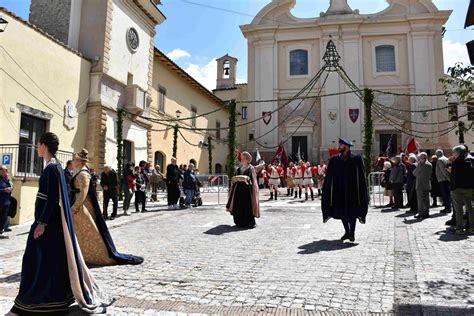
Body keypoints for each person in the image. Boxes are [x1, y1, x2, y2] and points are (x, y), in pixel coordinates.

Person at [8, 133, 112, 315]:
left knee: (36, 262)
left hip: (47, 224)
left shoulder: (51, 169)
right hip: (52, 223)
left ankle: (31, 303)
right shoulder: (55, 166)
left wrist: (42, 223)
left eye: (39, 144)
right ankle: (57, 298)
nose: (37, 148)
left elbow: (51, 199)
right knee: (53, 262)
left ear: (44, 146)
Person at [70, 149, 144, 266]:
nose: (72, 161)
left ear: (79, 161)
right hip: (81, 205)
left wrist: (74, 207)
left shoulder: (83, 174)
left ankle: (92, 255)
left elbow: (83, 193)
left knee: (88, 232)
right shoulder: (80, 172)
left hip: (82, 207)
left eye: (74, 159)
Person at [322, 138, 369, 242]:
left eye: (341, 145)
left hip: (352, 191)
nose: (339, 147)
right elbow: (329, 175)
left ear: (346, 147)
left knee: (352, 212)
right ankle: (347, 231)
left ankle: (352, 233)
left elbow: (361, 175)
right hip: (339, 190)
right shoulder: (334, 160)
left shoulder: (356, 158)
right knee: (342, 211)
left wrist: (361, 191)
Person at [226, 151, 260, 228]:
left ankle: (249, 222)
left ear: (248, 159)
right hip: (238, 190)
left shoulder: (251, 169)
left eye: (243, 158)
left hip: (247, 190)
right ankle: (239, 221)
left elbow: (253, 181)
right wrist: (234, 180)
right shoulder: (238, 169)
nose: (242, 160)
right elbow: (234, 178)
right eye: (241, 158)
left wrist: (247, 180)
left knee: (247, 205)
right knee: (238, 205)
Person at [449, 145, 474, 234]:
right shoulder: (470, 161)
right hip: (469, 188)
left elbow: (454, 177)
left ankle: (459, 228)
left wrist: (452, 188)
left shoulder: (456, 163)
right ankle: (472, 227)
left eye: (453, 152)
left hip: (457, 189)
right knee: (470, 208)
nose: (453, 154)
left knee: (458, 209)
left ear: (457, 153)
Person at [413, 152, 432, 220]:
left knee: (420, 200)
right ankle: (427, 212)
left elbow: (414, 173)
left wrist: (419, 164)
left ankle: (421, 213)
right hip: (427, 183)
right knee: (427, 199)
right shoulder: (430, 164)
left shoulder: (420, 165)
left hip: (420, 184)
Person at [435, 149, 452, 214]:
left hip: (443, 179)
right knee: (447, 194)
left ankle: (447, 208)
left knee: (445, 195)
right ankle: (448, 207)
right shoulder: (446, 158)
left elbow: (443, 171)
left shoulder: (440, 160)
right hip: (446, 179)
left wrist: (448, 178)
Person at [0, 166, 13, 238]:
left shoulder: (6, 179)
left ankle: (0, 231)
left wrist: (10, 188)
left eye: (7, 170)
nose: (6, 171)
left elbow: (11, 186)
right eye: (5, 170)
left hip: (6, 202)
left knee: (3, 218)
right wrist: (4, 190)